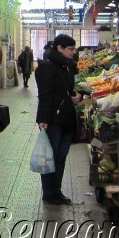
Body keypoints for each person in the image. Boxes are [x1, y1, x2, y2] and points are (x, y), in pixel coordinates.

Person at [35, 34, 82, 205]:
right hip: (53, 120)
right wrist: (43, 119)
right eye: (70, 49)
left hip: (67, 118)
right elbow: (45, 95)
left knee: (61, 157)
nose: (73, 52)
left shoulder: (67, 66)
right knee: (50, 157)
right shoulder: (46, 67)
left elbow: (67, 91)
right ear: (59, 48)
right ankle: (49, 192)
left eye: (73, 49)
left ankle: (57, 190)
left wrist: (76, 96)